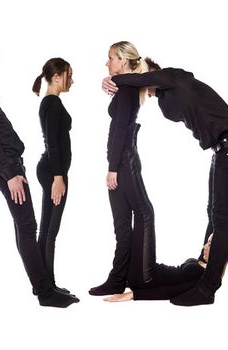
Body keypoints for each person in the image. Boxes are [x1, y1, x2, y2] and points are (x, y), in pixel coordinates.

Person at [101, 56, 228, 306]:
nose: (142, 84)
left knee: (222, 217)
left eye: (142, 75)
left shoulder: (174, 76)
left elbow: (149, 78)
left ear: (149, 71)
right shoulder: (163, 99)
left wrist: (114, 78)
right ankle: (204, 272)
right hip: (220, 148)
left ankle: (208, 287)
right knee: (213, 213)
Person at [0, 40, 76, 307]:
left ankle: (45, 288)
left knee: (25, 226)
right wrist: (9, 173)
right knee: (27, 226)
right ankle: (45, 292)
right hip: (7, 168)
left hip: (9, 165)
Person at [88, 41, 154, 298]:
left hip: (123, 161)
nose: (107, 62)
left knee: (138, 215)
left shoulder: (127, 87)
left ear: (124, 60)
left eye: (111, 58)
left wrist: (113, 168)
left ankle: (139, 276)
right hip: (123, 159)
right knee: (122, 223)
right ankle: (119, 278)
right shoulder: (125, 85)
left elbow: (121, 130)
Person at [32, 57, 74, 294]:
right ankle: (47, 285)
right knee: (50, 231)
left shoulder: (50, 103)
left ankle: (43, 284)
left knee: (47, 230)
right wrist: (59, 178)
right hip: (53, 172)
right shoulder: (52, 104)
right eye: (69, 74)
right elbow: (53, 144)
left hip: (52, 170)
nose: (73, 80)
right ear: (57, 77)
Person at [103, 233, 228, 303]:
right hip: (148, 271)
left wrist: (133, 295)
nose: (204, 247)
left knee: (145, 213)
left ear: (220, 251)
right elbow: (213, 219)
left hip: (146, 277)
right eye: (207, 242)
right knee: (127, 230)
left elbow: (171, 292)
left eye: (210, 244)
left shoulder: (206, 280)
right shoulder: (206, 265)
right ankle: (116, 281)